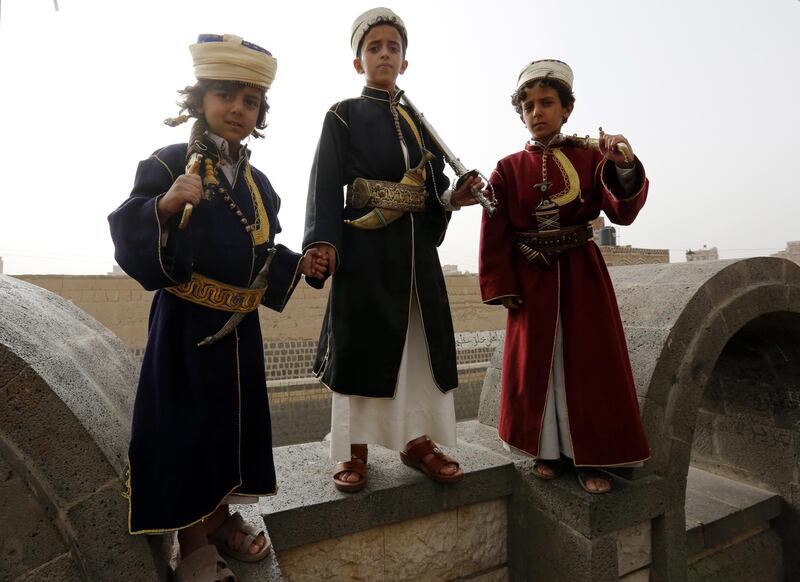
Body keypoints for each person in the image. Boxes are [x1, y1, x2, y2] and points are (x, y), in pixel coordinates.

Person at [108, 34, 326, 581]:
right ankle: (193, 540)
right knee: (186, 431)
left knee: (230, 431)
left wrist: (297, 266)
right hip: (185, 326)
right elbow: (127, 228)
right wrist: (162, 205)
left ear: (259, 113)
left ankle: (224, 517)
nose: (237, 109)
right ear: (201, 98)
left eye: (250, 101)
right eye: (226, 95)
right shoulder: (167, 161)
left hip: (238, 330)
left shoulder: (260, 184)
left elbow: (258, 251)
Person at [302, 7, 483, 493]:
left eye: (394, 48)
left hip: (417, 261)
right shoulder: (342, 114)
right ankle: (352, 449)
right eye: (374, 47)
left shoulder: (420, 124)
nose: (385, 54)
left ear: (405, 61)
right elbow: (324, 187)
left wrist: (453, 199)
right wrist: (323, 244)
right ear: (358, 62)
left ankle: (416, 441)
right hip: (364, 255)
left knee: (417, 350)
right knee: (362, 344)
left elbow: (432, 196)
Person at [478, 59, 650, 494]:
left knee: (587, 366)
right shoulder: (507, 167)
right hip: (530, 279)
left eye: (547, 103)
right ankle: (547, 452)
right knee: (539, 368)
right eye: (528, 105)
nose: (537, 112)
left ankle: (594, 457)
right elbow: (495, 230)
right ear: (520, 113)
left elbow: (621, 211)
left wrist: (624, 164)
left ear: (567, 108)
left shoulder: (593, 156)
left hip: (580, 276)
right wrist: (501, 286)